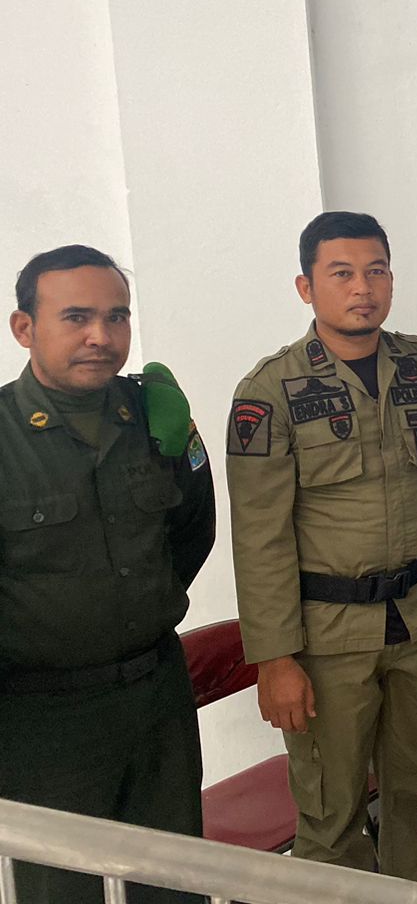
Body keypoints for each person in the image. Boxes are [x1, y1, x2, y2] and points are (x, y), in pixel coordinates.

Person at [227, 212, 417, 879]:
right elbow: (259, 534)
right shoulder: (271, 391)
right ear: (306, 287)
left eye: (376, 270)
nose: (362, 287)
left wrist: (400, 544)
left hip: (415, 618)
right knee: (331, 811)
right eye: (341, 274)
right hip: (324, 635)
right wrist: (275, 659)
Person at [0, 245, 214, 904]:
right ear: (25, 328)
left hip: (156, 702)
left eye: (116, 316)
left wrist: (135, 608)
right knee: (61, 890)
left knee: (175, 881)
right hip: (41, 721)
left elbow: (192, 531)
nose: (102, 335)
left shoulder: (155, 415)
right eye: (77, 317)